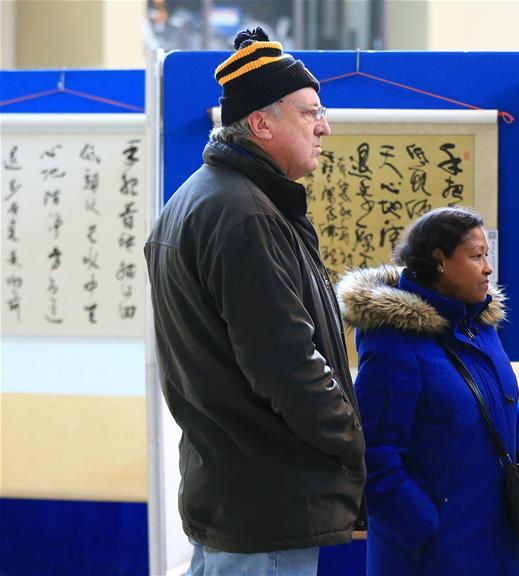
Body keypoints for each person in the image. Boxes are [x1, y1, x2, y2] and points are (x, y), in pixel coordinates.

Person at [144, 27, 365, 576]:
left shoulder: (201, 199)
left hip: (231, 491)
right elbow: (286, 365)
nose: (325, 126)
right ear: (262, 123)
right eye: (310, 111)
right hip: (267, 503)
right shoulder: (248, 216)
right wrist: (356, 443)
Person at [337, 207, 519, 575]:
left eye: (488, 256)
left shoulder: (480, 326)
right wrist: (423, 526)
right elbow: (372, 454)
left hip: (493, 539)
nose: (488, 268)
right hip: (431, 553)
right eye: (476, 256)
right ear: (440, 261)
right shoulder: (393, 341)